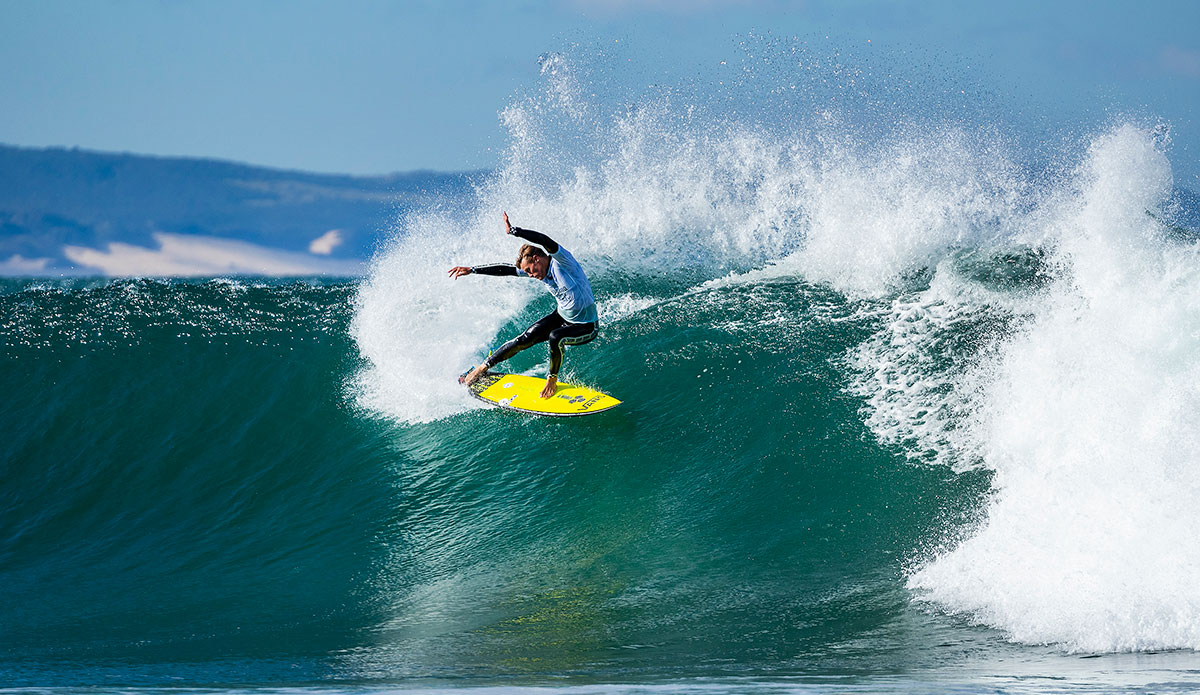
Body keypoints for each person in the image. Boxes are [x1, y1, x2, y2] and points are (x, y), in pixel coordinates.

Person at [449, 212, 598, 399]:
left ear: (537, 258)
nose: (530, 275)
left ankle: (552, 379)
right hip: (562, 316)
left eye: (530, 270)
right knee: (524, 339)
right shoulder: (539, 271)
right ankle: (482, 368)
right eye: (526, 272)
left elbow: (543, 239)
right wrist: (472, 270)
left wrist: (514, 231)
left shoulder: (563, 262)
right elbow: (507, 270)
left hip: (586, 325)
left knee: (555, 336)